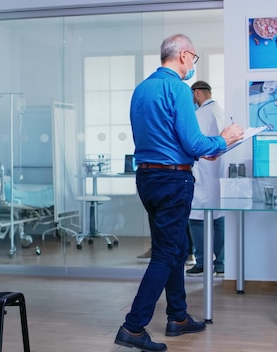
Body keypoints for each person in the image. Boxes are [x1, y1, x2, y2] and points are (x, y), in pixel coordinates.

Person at [114, 34, 244, 352]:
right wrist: (225, 139)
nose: (192, 66)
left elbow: (167, 139)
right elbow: (194, 143)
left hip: (147, 178)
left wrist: (204, 150)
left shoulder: (142, 89)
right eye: (194, 59)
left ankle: (178, 317)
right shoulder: (178, 89)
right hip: (173, 181)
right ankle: (133, 327)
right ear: (184, 56)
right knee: (166, 253)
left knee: (177, 246)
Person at [186, 80, 225, 277]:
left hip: (203, 173)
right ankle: (221, 263)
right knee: (219, 219)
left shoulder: (201, 114)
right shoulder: (221, 110)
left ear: (198, 94)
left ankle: (201, 261)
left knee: (195, 219)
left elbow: (194, 142)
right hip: (217, 174)